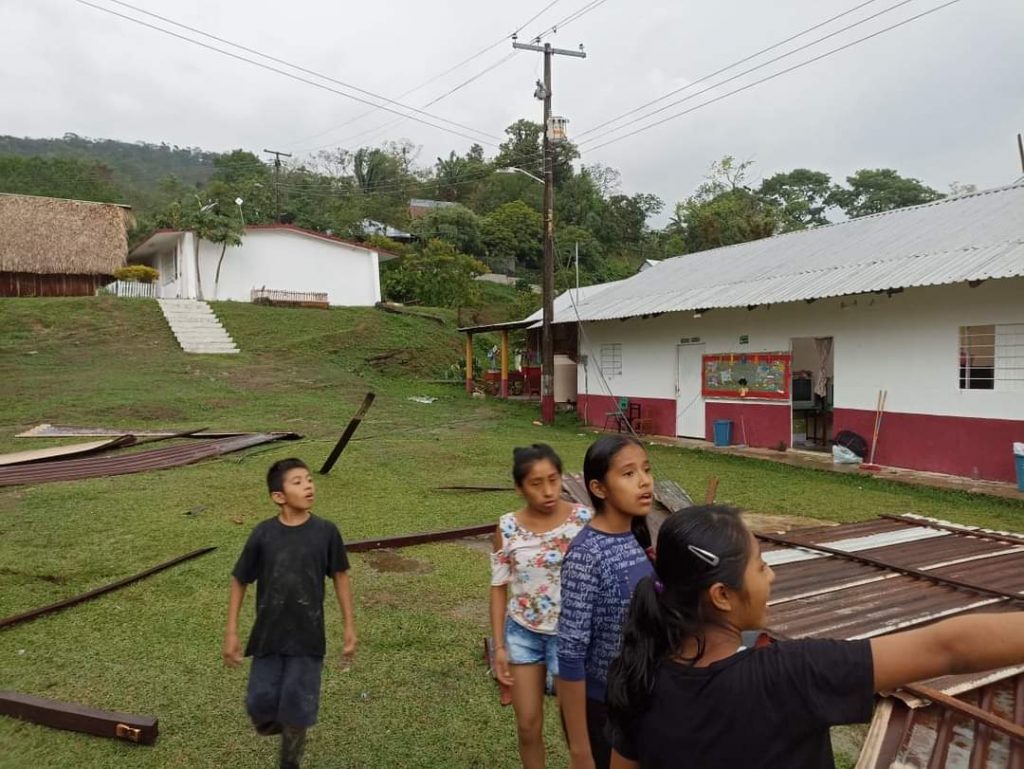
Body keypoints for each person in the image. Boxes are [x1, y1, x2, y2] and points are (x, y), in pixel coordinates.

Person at [606, 504, 1024, 769]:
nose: (772, 575)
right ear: (722, 595)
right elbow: (950, 648)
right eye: (761, 566)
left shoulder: (635, 675)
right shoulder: (789, 677)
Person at [223, 458, 357, 769]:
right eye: (297, 482)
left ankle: (290, 758)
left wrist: (349, 626)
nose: (308, 486)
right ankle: (286, 722)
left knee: (297, 710)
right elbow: (240, 579)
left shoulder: (326, 532)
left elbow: (340, 576)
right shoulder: (263, 534)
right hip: (267, 637)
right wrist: (231, 631)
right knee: (259, 706)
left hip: (307, 638)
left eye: (309, 479)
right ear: (279, 496)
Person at [490, 443, 593, 769]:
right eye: (536, 483)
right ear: (519, 488)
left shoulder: (584, 519)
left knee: (575, 732)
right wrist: (500, 647)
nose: (548, 491)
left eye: (553, 479)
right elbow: (498, 588)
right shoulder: (507, 527)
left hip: (571, 637)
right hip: (523, 633)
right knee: (527, 726)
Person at [558, 435, 656, 769]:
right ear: (599, 489)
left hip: (640, 699)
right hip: (604, 709)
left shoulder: (635, 537)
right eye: (629, 474)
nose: (644, 481)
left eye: (646, 470)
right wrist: (579, 749)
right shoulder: (586, 555)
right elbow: (570, 653)